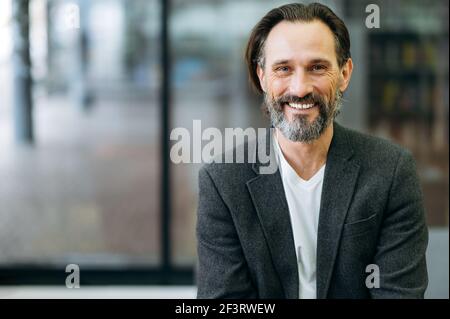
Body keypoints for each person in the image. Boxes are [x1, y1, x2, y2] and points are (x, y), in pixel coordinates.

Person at [196, 2, 428, 299]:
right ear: (262, 76)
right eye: (283, 68)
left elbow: (399, 295)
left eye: (317, 67)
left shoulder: (391, 171)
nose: (300, 87)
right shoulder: (222, 182)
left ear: (345, 73)